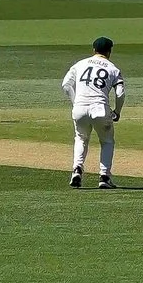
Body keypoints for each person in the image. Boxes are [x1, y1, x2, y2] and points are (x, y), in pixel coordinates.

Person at [61, 36, 125, 189]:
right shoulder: (112, 68)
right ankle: (104, 176)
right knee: (107, 141)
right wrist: (117, 111)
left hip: (80, 109)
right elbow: (120, 93)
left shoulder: (80, 64)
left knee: (81, 139)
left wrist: (76, 101)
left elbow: (65, 85)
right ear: (109, 52)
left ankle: (77, 170)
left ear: (94, 50)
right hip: (100, 109)